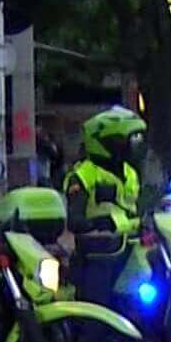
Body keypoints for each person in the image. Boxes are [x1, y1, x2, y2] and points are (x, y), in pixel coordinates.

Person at [63, 107, 145, 309]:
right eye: (122, 140)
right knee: (98, 317)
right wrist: (97, 223)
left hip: (132, 248)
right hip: (98, 255)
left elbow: (137, 208)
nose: (130, 145)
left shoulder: (130, 172)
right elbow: (74, 220)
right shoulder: (83, 175)